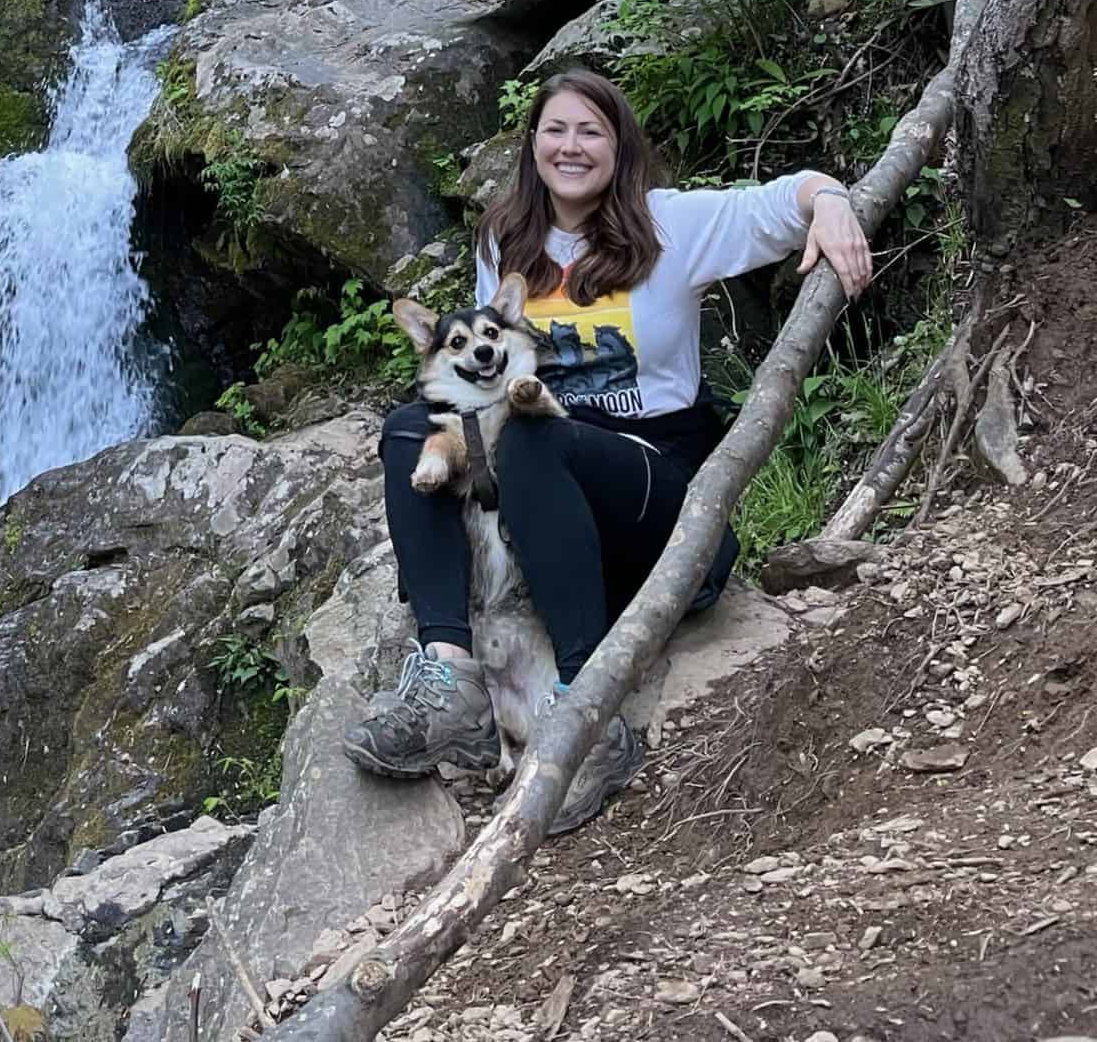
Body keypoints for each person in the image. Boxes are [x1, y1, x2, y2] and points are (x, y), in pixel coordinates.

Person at [343, 67, 874, 827]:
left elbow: (792, 194)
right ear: (532, 146)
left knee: (534, 436)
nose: (571, 146)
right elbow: (474, 385)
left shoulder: (672, 225)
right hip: (544, 496)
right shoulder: (505, 239)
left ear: (620, 148)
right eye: (555, 129)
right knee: (408, 429)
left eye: (590, 131)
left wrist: (830, 205)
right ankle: (450, 677)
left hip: (653, 494)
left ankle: (584, 713)